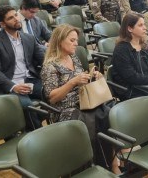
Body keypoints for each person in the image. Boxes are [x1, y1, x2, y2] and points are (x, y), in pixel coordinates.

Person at [40, 24, 119, 173]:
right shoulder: (50, 66)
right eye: (72, 40)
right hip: (64, 109)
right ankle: (89, 168)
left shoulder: (73, 57)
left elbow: (81, 81)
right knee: (91, 122)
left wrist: (94, 77)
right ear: (60, 41)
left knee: (107, 114)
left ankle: (111, 164)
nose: (76, 43)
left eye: (76, 40)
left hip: (84, 102)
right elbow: (52, 98)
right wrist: (72, 82)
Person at [0, 6, 45, 131]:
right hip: (10, 83)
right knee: (27, 105)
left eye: (16, 15)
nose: (16, 19)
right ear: (2, 24)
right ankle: (38, 135)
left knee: (55, 93)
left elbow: (43, 59)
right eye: (10, 18)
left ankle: (29, 126)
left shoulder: (28, 38)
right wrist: (14, 86)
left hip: (30, 79)